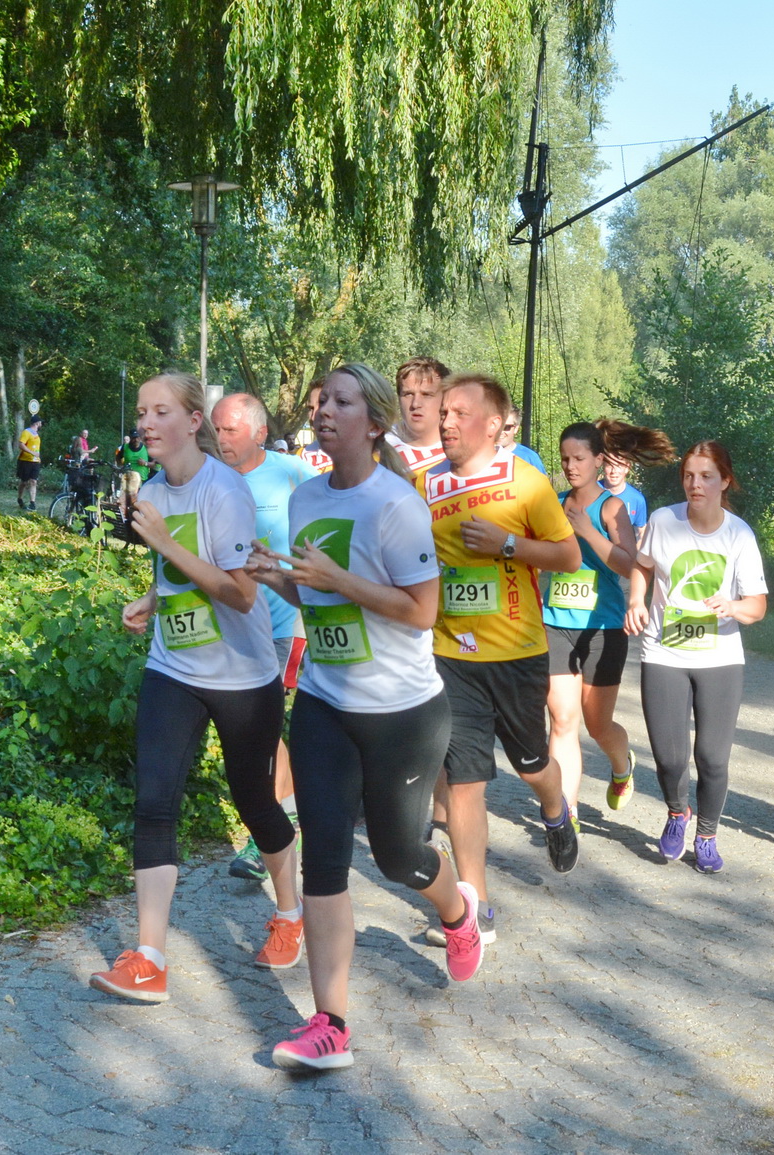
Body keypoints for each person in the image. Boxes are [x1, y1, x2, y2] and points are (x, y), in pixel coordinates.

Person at [246, 363, 482, 1071]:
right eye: (323, 399)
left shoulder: (394, 506)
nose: (324, 409)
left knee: (398, 856)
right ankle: (330, 1024)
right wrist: (278, 575)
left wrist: (335, 578)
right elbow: (319, 596)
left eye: (342, 402)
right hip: (323, 699)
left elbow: (423, 611)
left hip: (401, 713)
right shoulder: (305, 495)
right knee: (325, 855)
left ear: (373, 422)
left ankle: (457, 910)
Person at [89, 373, 300, 1004]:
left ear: (191, 422)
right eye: (141, 412)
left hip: (242, 675)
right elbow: (182, 570)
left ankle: (289, 913)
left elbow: (240, 592)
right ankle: (149, 957)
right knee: (154, 800)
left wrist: (159, 543)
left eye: (160, 412)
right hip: (174, 668)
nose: (146, 423)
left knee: (256, 802)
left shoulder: (224, 489)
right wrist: (152, 600)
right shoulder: (154, 489)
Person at [418, 372, 581, 951]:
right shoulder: (422, 483)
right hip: (449, 656)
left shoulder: (525, 480)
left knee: (533, 766)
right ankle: (475, 906)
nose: (446, 422)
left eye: (460, 413)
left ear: (493, 424)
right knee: (465, 783)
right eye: (444, 414)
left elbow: (567, 555)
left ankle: (556, 810)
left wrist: (507, 546)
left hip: (516, 653)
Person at [626, 441, 769, 872]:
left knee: (711, 756)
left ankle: (706, 834)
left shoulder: (738, 534)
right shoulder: (663, 521)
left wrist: (733, 607)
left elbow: (757, 606)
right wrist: (636, 600)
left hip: (719, 657)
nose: (695, 484)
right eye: (689, 475)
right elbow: (642, 564)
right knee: (670, 757)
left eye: (706, 476)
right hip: (663, 650)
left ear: (725, 481)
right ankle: (676, 813)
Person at [544, 420, 676, 817]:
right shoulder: (555, 502)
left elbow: (629, 564)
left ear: (599, 460)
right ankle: (566, 815)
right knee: (562, 722)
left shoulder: (613, 507)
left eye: (579, 458)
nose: (570, 466)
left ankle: (622, 766)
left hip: (603, 627)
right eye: (565, 459)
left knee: (597, 724)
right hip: (556, 621)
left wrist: (588, 531)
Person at [212, 393, 319, 880]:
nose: (220, 440)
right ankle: (286, 813)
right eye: (215, 430)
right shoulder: (210, 478)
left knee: (263, 727)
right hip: (227, 624)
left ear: (258, 432)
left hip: (279, 623)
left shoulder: (292, 473)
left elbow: (323, 529)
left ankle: (273, 829)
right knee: (257, 731)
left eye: (230, 430)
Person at [391, 355, 450, 478]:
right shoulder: (378, 446)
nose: (415, 404)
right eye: (408, 394)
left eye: (426, 395)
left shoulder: (463, 448)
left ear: (445, 399)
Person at [601, 454, 650, 530]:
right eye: (609, 465)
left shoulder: (637, 499)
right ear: (603, 466)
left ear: (627, 468)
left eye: (619, 465)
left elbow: (640, 532)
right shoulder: (590, 492)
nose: (614, 471)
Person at [498, 403, 548, 475]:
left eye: (506, 427)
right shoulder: (479, 457)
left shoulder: (530, 458)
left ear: (516, 429)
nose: (500, 432)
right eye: (497, 426)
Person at [298, 379, 333, 474]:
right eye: (311, 408)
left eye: (322, 407)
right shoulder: (299, 460)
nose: (313, 417)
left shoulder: (372, 460)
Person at [117, 431, 150, 517]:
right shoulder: (125, 447)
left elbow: (156, 463)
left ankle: (137, 519)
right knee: (125, 502)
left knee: (136, 502)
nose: (136, 440)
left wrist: (146, 463)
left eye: (137, 437)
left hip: (142, 480)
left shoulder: (146, 447)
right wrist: (120, 466)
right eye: (134, 438)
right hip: (127, 478)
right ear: (130, 438)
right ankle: (124, 519)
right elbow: (118, 456)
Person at [16, 415, 44, 511]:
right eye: (40, 422)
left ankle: (32, 503)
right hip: (26, 460)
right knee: (24, 482)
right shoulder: (26, 432)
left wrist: (37, 455)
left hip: (36, 461)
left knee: (33, 481)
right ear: (36, 423)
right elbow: (21, 444)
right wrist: (32, 452)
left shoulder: (36, 434)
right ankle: (20, 498)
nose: (41, 424)